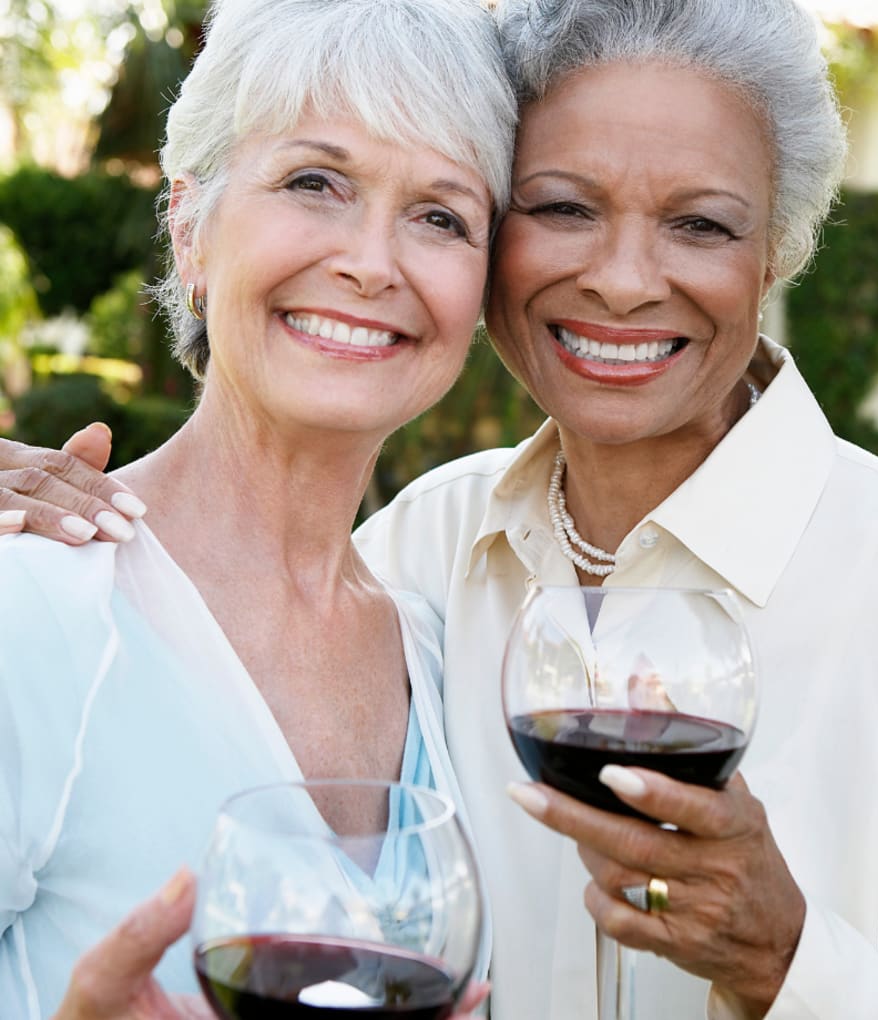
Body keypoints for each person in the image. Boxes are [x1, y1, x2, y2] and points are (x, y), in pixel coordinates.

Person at [5, 0, 878, 1017]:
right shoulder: (429, 554)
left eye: (700, 223)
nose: (617, 281)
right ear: (188, 221)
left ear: (777, 253)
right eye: (564, 207)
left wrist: (786, 962)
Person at [0, 0, 516, 1016]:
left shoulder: (445, 649)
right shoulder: (36, 602)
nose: (374, 261)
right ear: (190, 229)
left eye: (440, 215)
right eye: (314, 182)